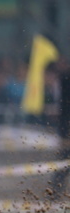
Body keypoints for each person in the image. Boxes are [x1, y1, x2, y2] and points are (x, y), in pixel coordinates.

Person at [49, 61, 70, 198]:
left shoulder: (65, 77)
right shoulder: (66, 78)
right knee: (64, 162)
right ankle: (54, 193)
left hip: (65, 128)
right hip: (67, 129)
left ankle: (54, 192)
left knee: (63, 163)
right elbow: (64, 107)